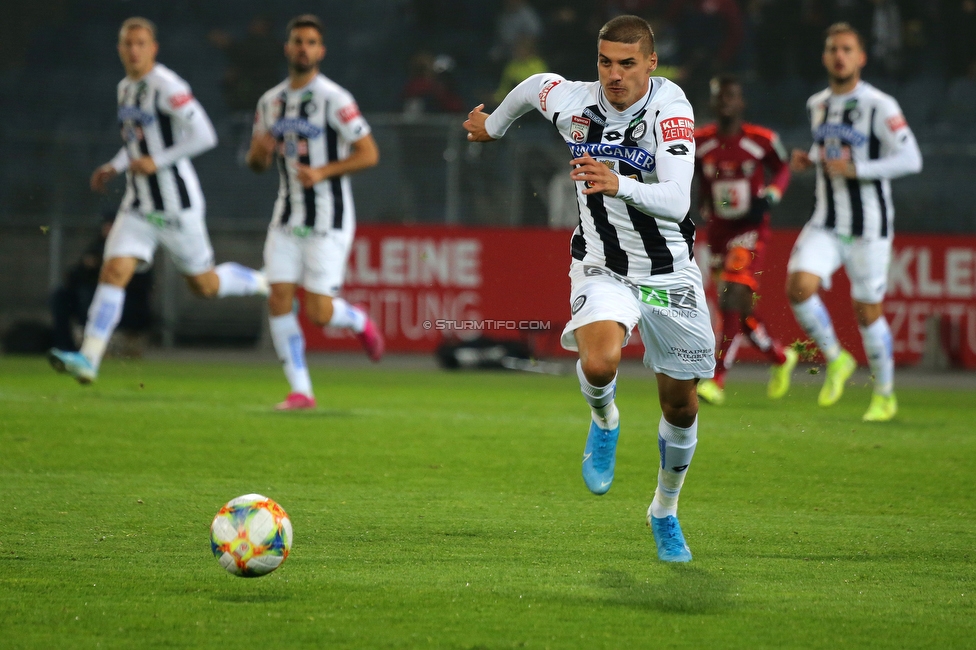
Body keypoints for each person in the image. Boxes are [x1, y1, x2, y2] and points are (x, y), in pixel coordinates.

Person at [465, 15, 714, 563]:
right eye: (605, 62)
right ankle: (605, 420)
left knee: (681, 406)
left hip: (670, 272)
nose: (615, 75)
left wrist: (616, 181)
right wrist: (495, 126)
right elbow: (533, 88)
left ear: (651, 63)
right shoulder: (576, 101)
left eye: (628, 63)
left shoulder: (671, 111)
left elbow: (677, 200)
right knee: (600, 363)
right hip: (603, 265)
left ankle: (663, 511)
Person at [49, 17, 268, 384]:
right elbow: (138, 142)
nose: (134, 50)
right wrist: (115, 166)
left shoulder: (167, 86)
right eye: (127, 43)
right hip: (138, 205)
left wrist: (158, 161)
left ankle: (264, 282)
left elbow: (205, 135)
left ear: (153, 48)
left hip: (175, 206)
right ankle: (88, 359)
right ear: (120, 49)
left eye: (140, 43)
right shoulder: (125, 88)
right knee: (113, 271)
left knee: (204, 286)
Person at [786, 22, 922, 422]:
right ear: (825, 57)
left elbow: (911, 159)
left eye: (847, 49)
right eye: (833, 49)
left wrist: (858, 168)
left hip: (870, 227)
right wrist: (810, 159)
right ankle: (836, 358)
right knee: (798, 287)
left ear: (861, 57)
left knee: (868, 312)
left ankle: (884, 394)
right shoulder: (818, 104)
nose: (839, 56)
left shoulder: (881, 105)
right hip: (826, 220)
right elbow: (829, 146)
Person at [246, 14, 383, 411]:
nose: (303, 48)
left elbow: (370, 153)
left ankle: (358, 321)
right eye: (297, 41)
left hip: (328, 218)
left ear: (320, 51)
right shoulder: (270, 102)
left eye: (311, 42)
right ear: (287, 48)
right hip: (287, 216)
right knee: (278, 297)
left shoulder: (335, 99)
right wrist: (258, 154)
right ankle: (301, 390)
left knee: (320, 313)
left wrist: (323, 171)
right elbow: (256, 163)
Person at [694, 75, 795, 405]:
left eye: (732, 97)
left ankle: (717, 377)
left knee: (731, 297)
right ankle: (780, 356)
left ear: (741, 103)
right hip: (719, 232)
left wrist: (773, 194)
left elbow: (783, 167)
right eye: (721, 97)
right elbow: (686, 173)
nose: (726, 102)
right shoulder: (701, 142)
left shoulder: (760, 140)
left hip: (750, 230)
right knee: (738, 306)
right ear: (713, 103)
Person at [50, 210, 153, 353]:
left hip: (126, 301)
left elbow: (141, 282)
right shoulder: (97, 246)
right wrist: (87, 267)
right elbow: (75, 275)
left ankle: (92, 345)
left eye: (112, 225)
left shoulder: (132, 248)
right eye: (106, 225)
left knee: (90, 296)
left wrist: (101, 267)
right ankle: (65, 347)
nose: (108, 229)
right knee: (61, 296)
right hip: (90, 296)